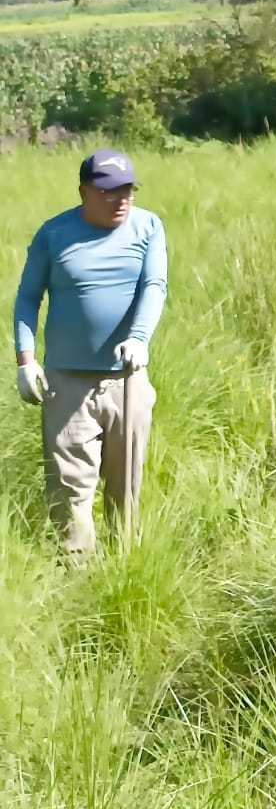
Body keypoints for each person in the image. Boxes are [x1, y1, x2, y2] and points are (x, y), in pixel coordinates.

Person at [13, 149, 168, 557]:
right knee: (70, 490)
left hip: (127, 379)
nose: (121, 200)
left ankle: (123, 571)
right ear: (84, 191)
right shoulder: (53, 234)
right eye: (109, 191)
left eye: (128, 191)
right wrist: (25, 361)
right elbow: (28, 298)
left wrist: (139, 338)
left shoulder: (148, 226)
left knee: (126, 485)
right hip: (67, 383)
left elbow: (155, 286)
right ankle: (76, 576)